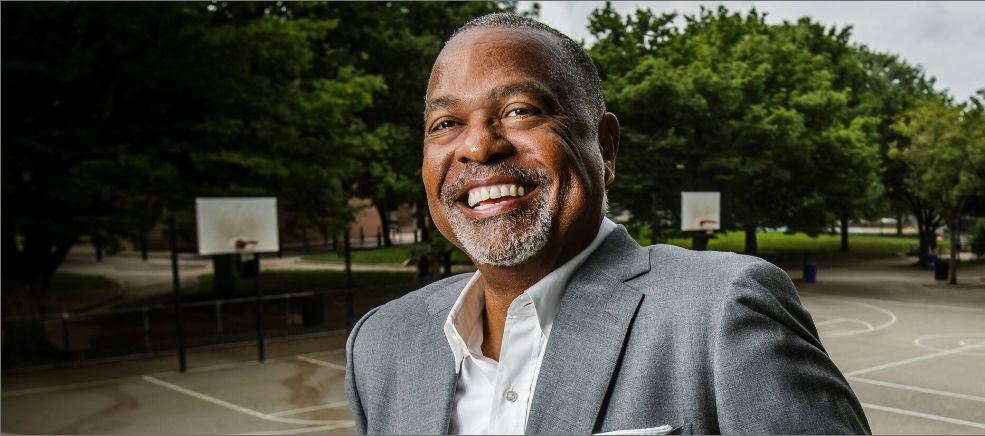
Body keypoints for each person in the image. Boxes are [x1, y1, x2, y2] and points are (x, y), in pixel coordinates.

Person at [344, 13, 870, 435]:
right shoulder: (382, 344)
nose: (479, 146)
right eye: (446, 123)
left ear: (607, 146)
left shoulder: (722, 314)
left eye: (521, 110)